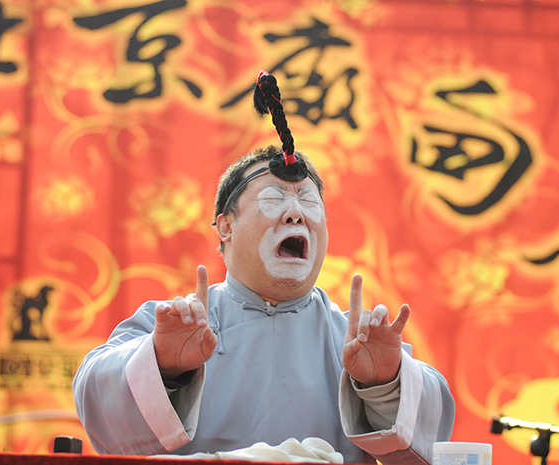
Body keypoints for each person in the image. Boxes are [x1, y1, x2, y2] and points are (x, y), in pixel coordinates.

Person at [72, 72, 454, 464]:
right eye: (274, 199)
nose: (295, 215)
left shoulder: (354, 340)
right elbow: (95, 397)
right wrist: (163, 365)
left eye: (309, 203)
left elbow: (431, 447)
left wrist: (386, 383)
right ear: (226, 226)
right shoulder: (173, 325)